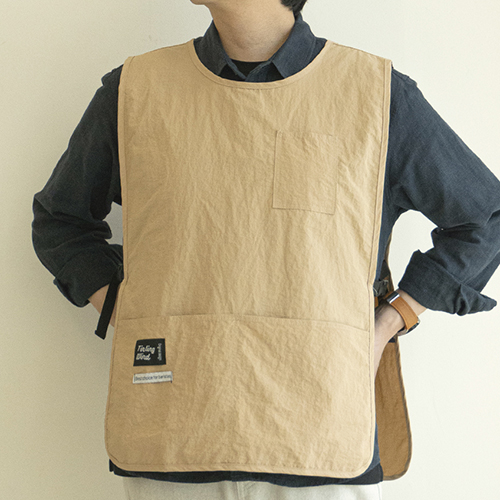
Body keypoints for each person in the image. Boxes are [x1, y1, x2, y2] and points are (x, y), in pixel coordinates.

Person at [31, 0, 500, 499]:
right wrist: (127, 314)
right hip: (171, 436)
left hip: (319, 443)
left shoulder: (375, 94)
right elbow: (61, 221)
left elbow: (484, 218)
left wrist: (387, 324)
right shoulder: (134, 90)